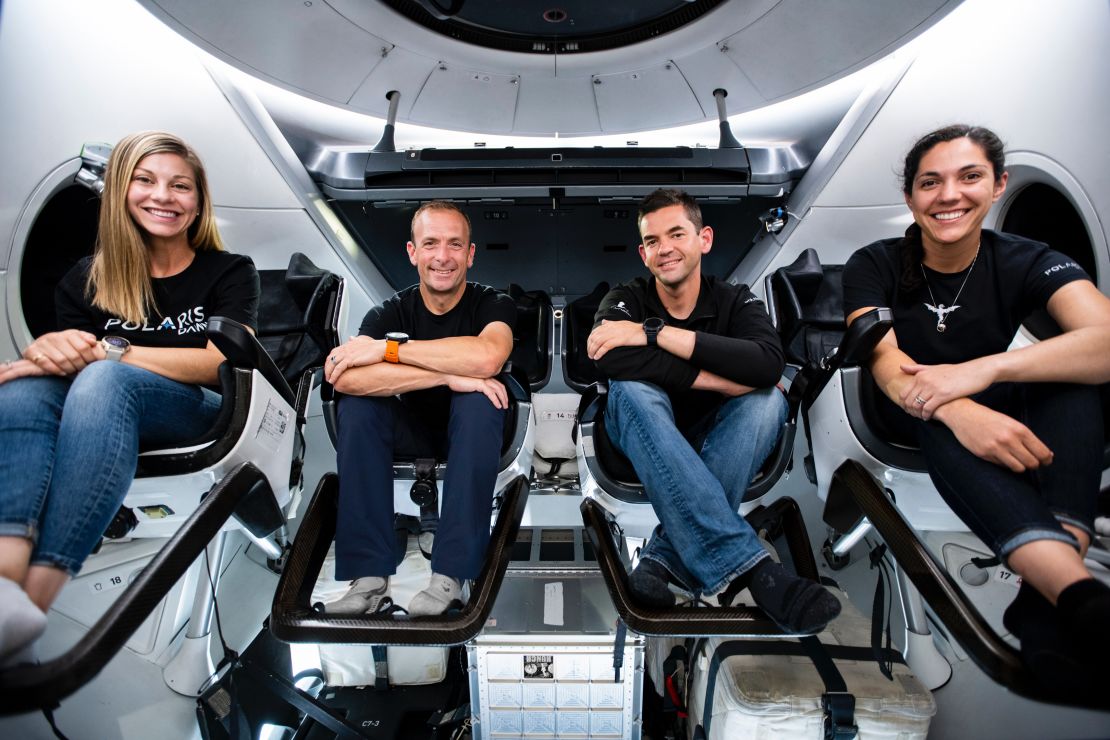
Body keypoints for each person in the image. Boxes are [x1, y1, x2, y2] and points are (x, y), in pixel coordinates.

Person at [842, 124, 1110, 693]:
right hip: (903, 408)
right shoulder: (875, 263)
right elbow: (887, 365)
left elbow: (1104, 342)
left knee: (1073, 385)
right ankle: (1079, 597)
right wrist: (957, 408)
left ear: (998, 185)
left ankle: (1051, 599)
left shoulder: (1029, 258)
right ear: (911, 197)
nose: (949, 195)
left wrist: (984, 371)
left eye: (970, 178)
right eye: (930, 182)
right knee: (944, 425)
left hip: (979, 387)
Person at [0, 131, 260, 665]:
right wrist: (50, 352)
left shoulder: (229, 271)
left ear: (198, 201)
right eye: (145, 181)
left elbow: (220, 363)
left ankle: (38, 595)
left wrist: (108, 351)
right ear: (120, 190)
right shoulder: (84, 282)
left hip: (203, 412)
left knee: (103, 379)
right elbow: (74, 365)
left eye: (179, 186)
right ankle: (5, 583)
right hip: (105, 407)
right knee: (30, 386)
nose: (163, 196)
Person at [587, 188, 841, 633]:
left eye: (676, 234)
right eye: (652, 241)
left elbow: (766, 364)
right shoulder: (625, 297)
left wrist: (657, 335)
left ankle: (666, 562)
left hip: (716, 439)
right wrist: (715, 379)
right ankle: (748, 570)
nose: (664, 249)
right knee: (633, 390)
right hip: (635, 437)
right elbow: (607, 355)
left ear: (704, 239)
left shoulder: (735, 300)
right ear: (643, 253)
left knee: (766, 400)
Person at [324, 201, 515, 616]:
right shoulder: (388, 312)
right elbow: (345, 376)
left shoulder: (493, 305)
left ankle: (451, 576)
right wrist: (446, 375)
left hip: (472, 432)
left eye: (454, 245)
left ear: (470, 254)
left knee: (477, 398)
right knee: (356, 405)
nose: (442, 257)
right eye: (430, 244)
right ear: (413, 252)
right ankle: (370, 578)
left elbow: (486, 360)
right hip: (409, 430)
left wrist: (390, 352)